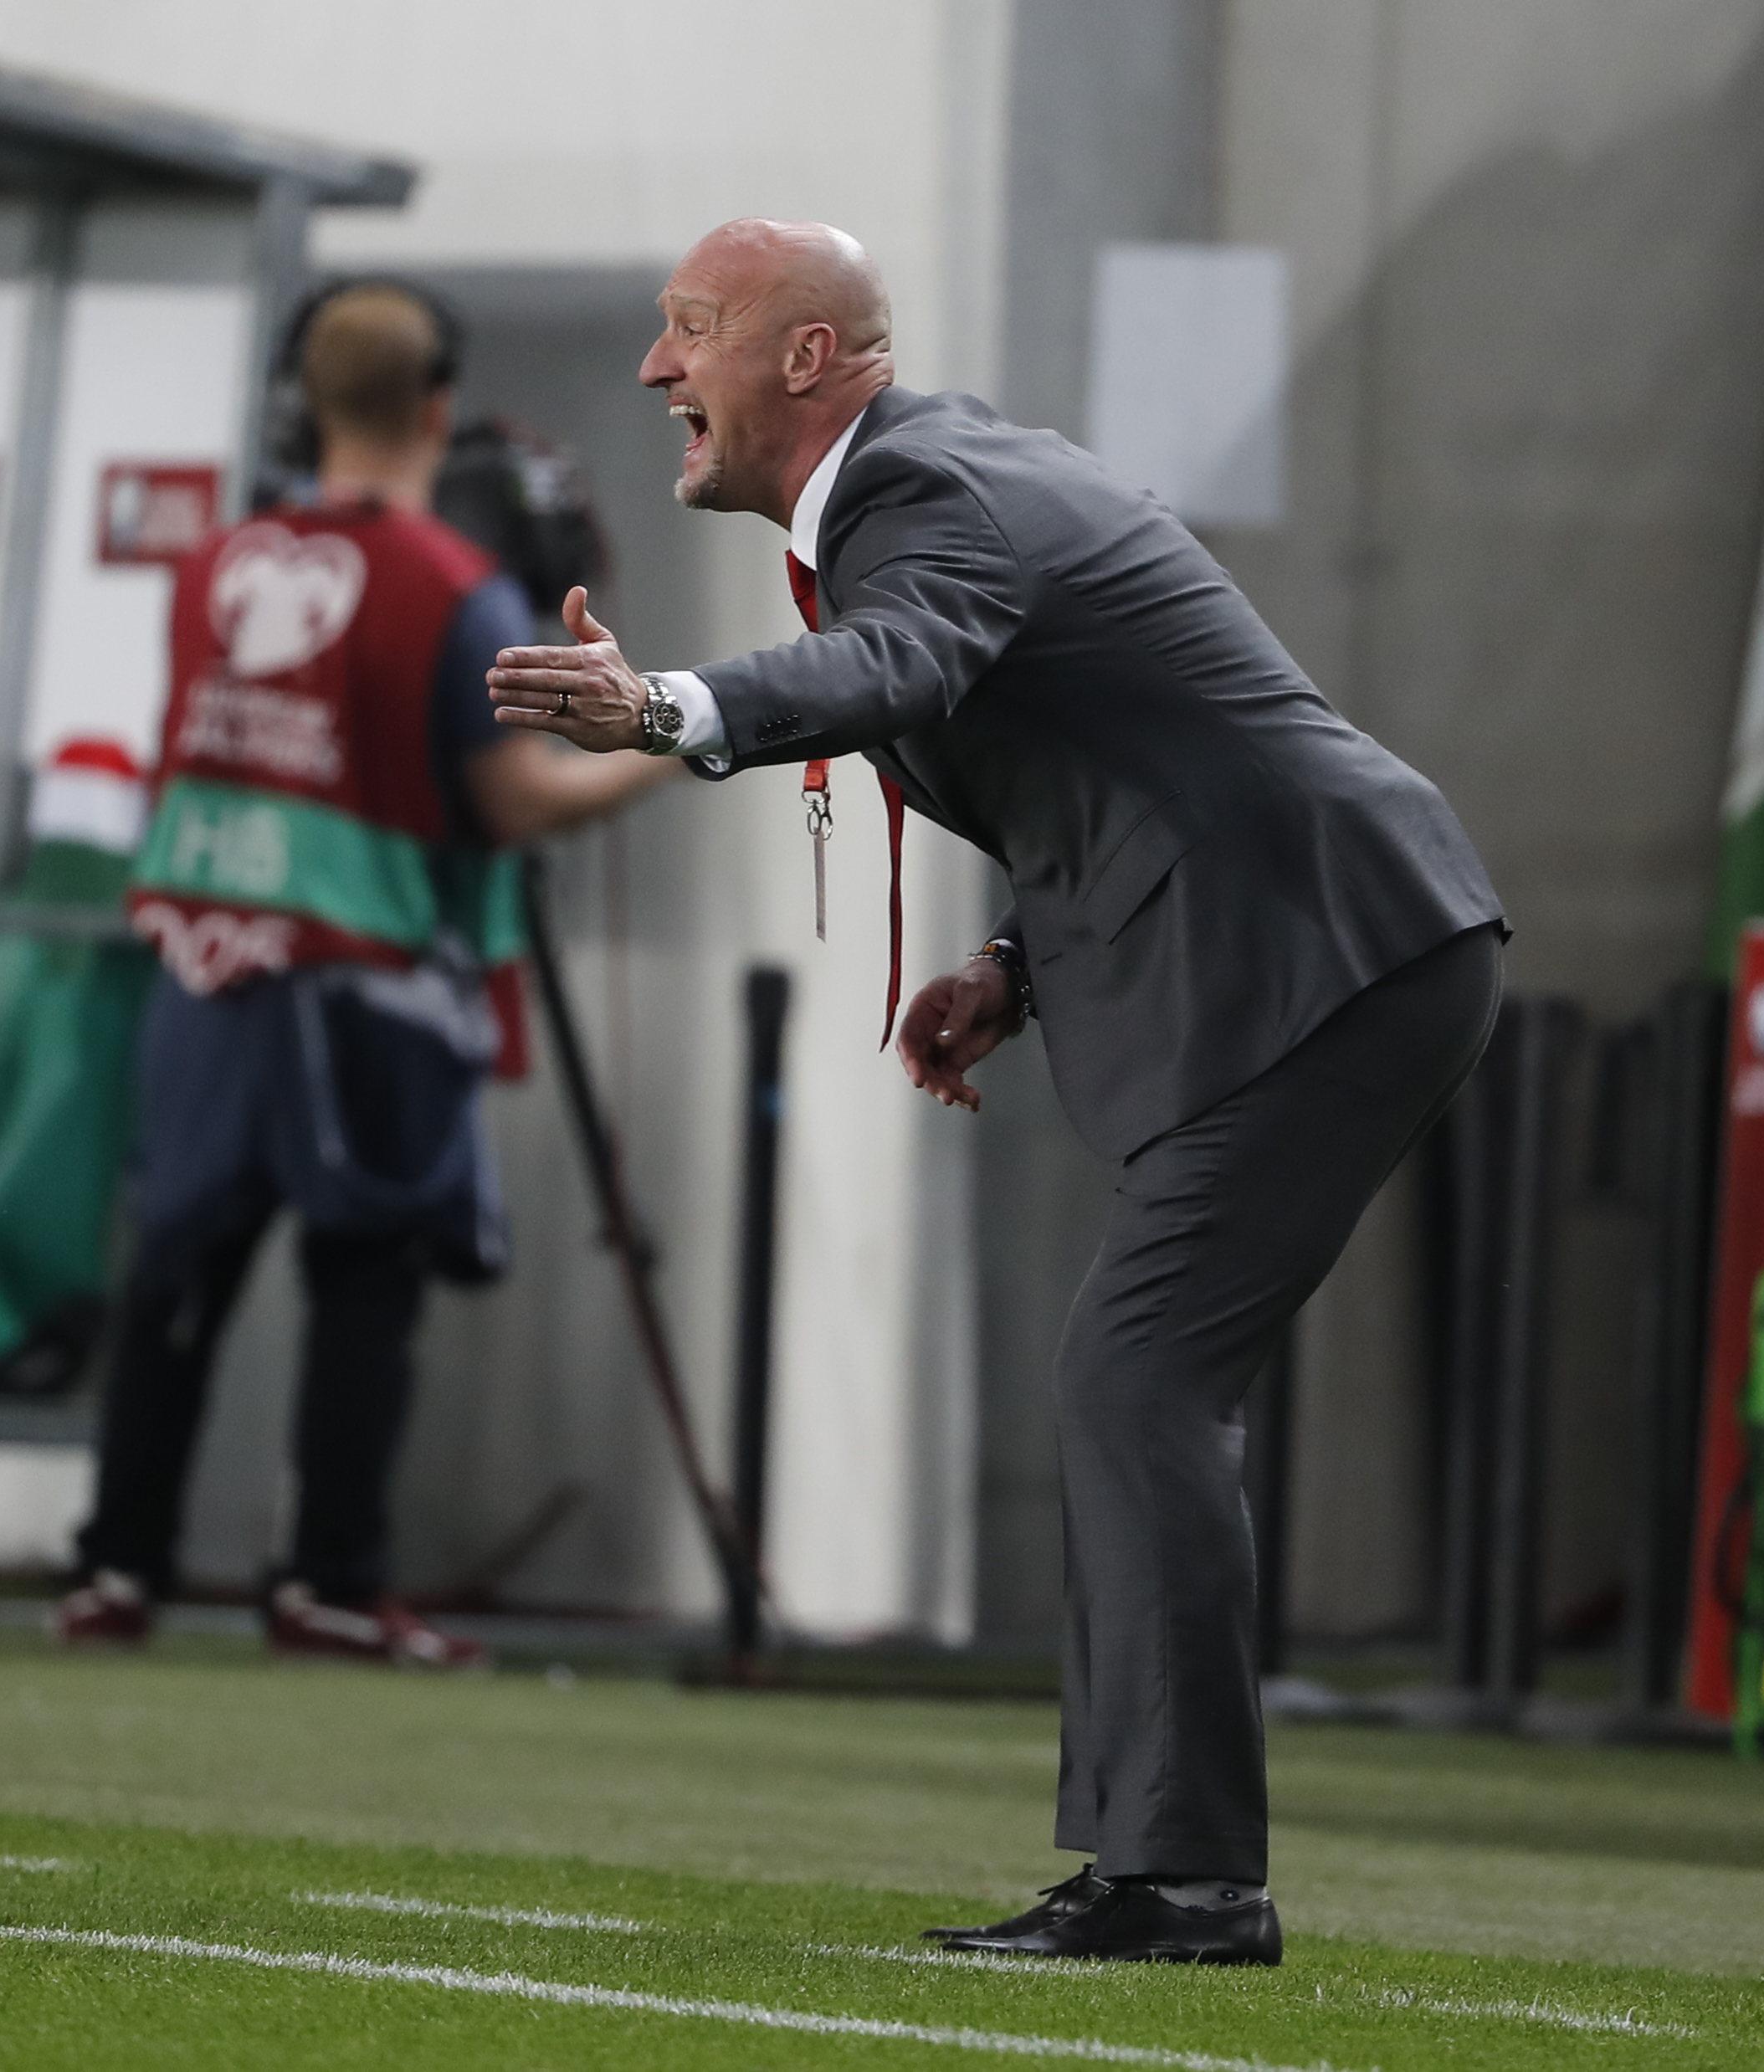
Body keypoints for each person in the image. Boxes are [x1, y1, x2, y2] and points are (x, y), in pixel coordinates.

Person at [490, 219, 1504, 1965]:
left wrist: (663, 706)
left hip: (1329, 951)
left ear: (805, 359)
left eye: (690, 329)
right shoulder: (930, 480)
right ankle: (1153, 1868)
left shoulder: (922, 492)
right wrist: (1015, 968)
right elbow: (1133, 744)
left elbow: (898, 667)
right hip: (1326, 939)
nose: (656, 368)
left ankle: (1185, 1880)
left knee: (1137, 1375)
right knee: (1132, 1379)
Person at [55, 283, 674, 1663]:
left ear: (304, 404)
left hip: (206, 969)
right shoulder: (453, 588)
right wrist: (668, 741)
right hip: (365, 980)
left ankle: (113, 1572)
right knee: (364, 1283)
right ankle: (328, 1584)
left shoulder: (210, 563)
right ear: (436, 412)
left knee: (176, 1275)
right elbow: (515, 800)